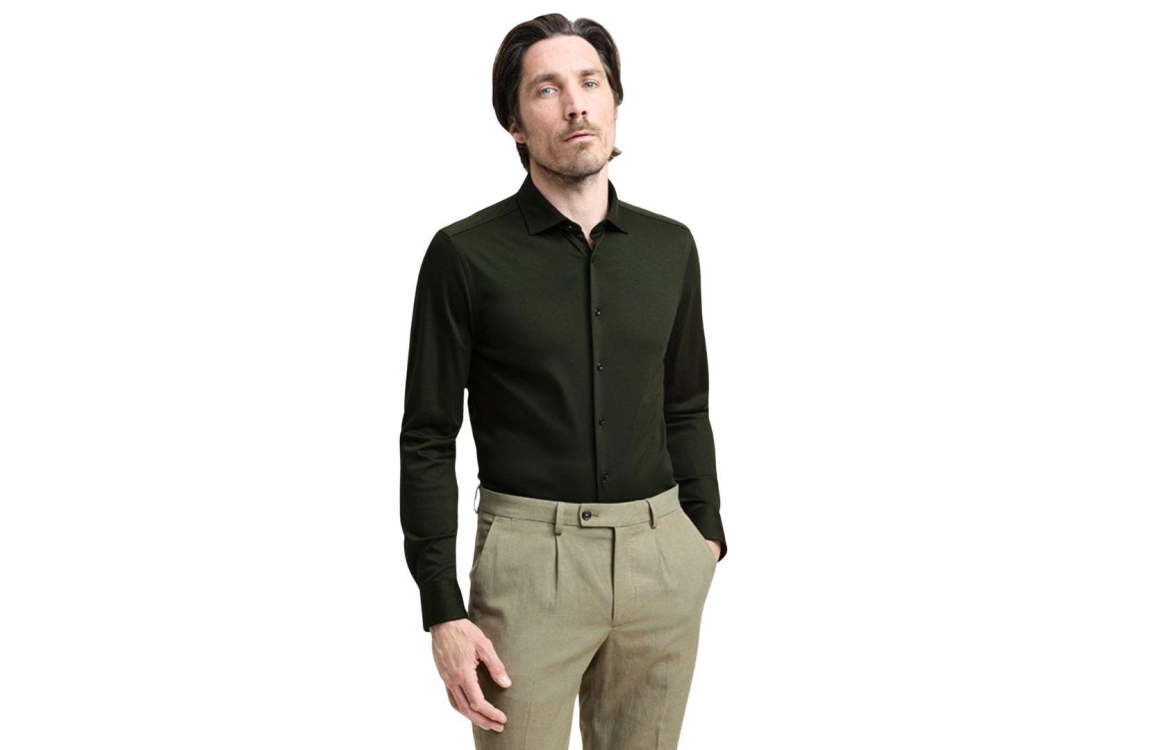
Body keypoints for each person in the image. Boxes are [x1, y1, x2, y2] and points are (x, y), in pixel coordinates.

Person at [399, 13, 728, 749]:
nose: (576, 104)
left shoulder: (669, 247)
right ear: (514, 122)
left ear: (615, 98)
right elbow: (427, 436)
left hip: (662, 559)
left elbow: (685, 403)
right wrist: (442, 607)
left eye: (590, 82)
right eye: (547, 89)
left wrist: (703, 534)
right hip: (528, 570)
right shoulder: (464, 256)